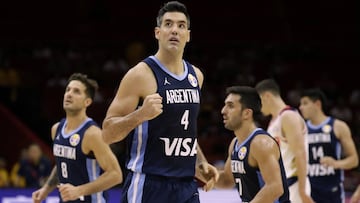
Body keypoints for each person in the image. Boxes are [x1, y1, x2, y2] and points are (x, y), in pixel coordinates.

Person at [102, 1, 219, 203]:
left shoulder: (196, 76)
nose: (175, 30)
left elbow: (184, 129)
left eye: (181, 25)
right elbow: (107, 133)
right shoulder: (140, 75)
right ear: (158, 32)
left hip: (186, 185)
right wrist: (140, 115)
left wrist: (200, 163)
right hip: (148, 185)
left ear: (188, 35)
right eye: (168, 24)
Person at [32, 73, 122, 202]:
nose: (69, 94)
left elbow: (116, 175)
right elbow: (62, 163)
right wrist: (46, 189)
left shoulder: (92, 134)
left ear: (87, 102)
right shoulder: (56, 129)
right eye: (67, 90)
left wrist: (79, 190)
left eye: (76, 91)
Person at [215, 86, 290, 202]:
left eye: (230, 106)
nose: (223, 110)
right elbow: (227, 181)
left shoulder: (261, 143)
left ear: (246, 113)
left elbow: (275, 187)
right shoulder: (235, 143)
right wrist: (194, 168)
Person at [255, 78, 314, 203]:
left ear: (267, 96)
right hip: (282, 187)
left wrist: (302, 191)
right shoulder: (273, 121)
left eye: (258, 101)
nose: (258, 107)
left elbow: (300, 154)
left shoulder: (288, 116)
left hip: (294, 185)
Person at [299, 88, 359, 203]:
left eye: (305, 103)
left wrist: (336, 163)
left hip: (332, 192)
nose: (301, 107)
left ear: (317, 104)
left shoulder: (338, 126)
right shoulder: (301, 129)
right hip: (309, 192)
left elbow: (354, 160)